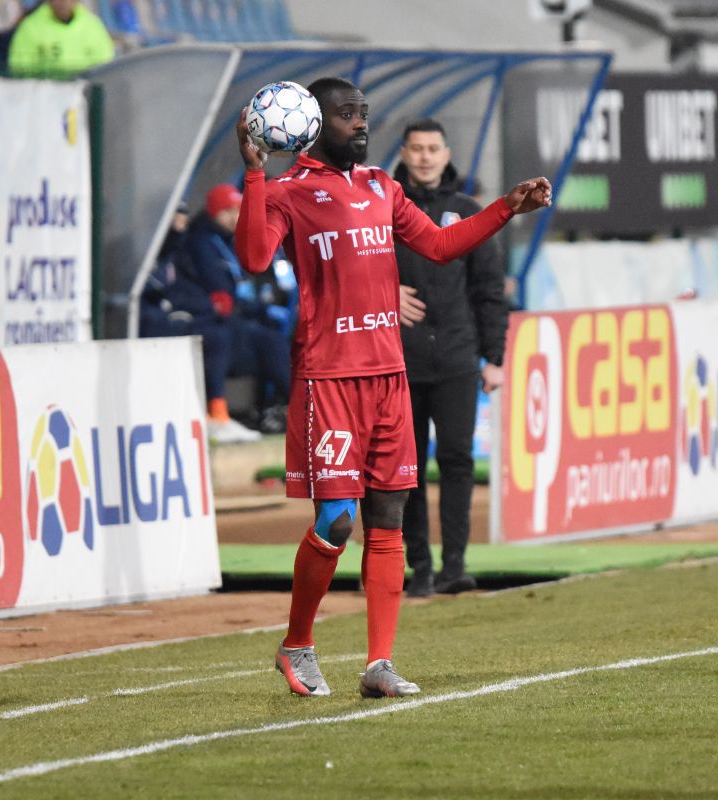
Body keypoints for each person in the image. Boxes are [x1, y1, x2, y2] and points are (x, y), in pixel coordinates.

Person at [233, 77, 550, 698]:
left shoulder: (382, 186)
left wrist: (504, 208)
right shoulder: (287, 193)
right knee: (337, 520)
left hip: (389, 377)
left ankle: (379, 663)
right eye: (347, 114)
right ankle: (297, 644)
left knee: (388, 518)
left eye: (363, 112)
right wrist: (252, 174)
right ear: (311, 124)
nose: (360, 123)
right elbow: (252, 258)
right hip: (330, 378)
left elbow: (439, 244)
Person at [394, 119, 509, 597]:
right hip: (399, 360)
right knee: (407, 468)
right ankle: (419, 568)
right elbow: (353, 266)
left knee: (458, 460)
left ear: (446, 154)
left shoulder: (466, 212)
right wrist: (383, 293)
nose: (424, 157)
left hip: (458, 357)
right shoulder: (381, 209)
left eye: (432, 148)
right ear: (404, 153)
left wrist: (494, 356)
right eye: (417, 148)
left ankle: (454, 566)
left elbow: (489, 290)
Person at [140, 204, 260, 444]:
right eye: (176, 220)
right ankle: (210, 414)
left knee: (232, 333)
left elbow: (188, 290)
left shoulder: (178, 250)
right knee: (217, 336)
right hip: (158, 321)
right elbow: (157, 293)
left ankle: (220, 413)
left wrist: (210, 307)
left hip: (185, 315)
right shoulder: (151, 250)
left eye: (183, 220)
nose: (181, 225)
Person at [183, 183, 292, 434]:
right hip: (215, 318)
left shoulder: (231, 240)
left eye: (238, 210)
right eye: (229, 211)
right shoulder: (201, 242)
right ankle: (220, 412)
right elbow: (219, 291)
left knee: (276, 335)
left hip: (241, 316)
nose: (235, 217)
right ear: (215, 211)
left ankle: (289, 406)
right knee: (267, 342)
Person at [7, 0, 114, 78]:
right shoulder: (30, 27)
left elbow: (105, 67)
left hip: (86, 94)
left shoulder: (93, 25)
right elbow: (20, 69)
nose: (63, 2)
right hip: (46, 95)